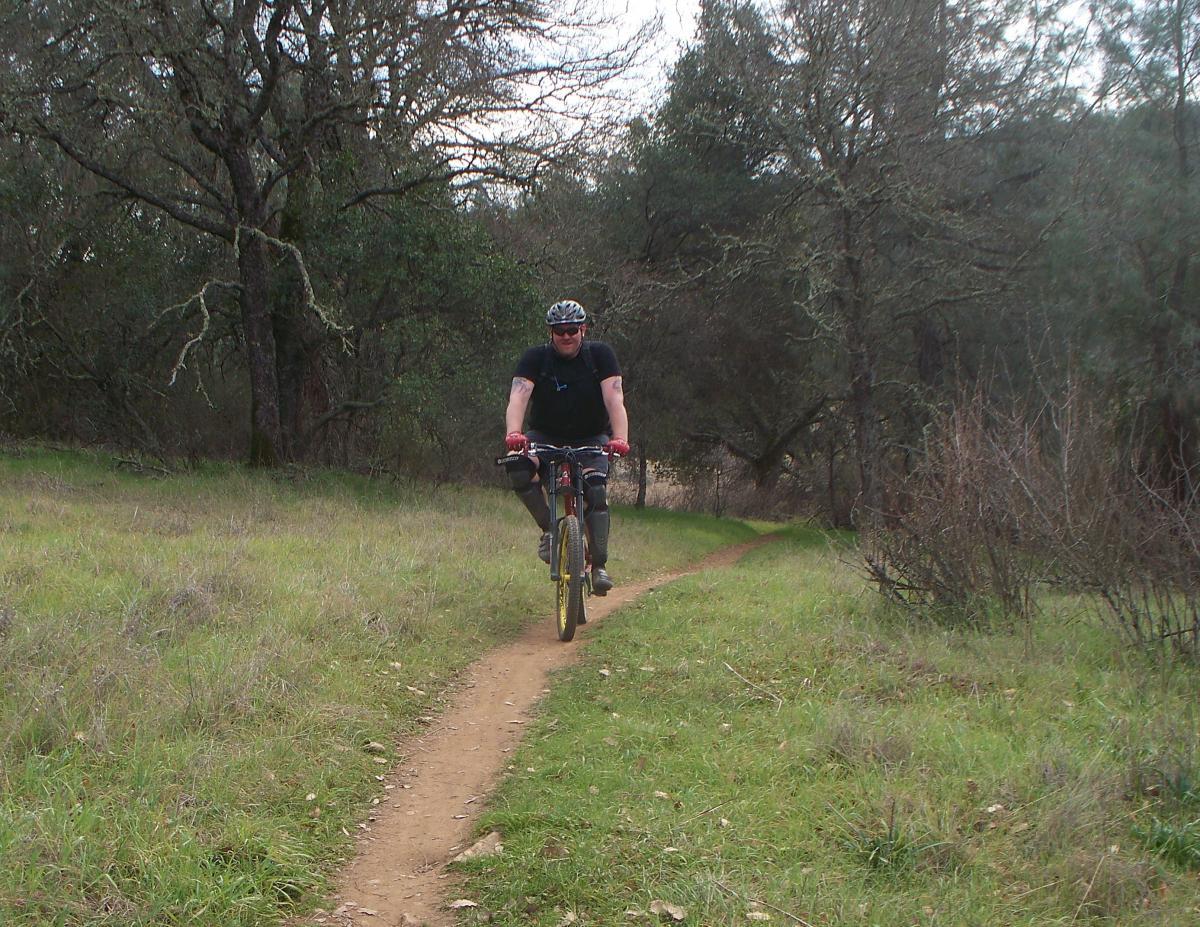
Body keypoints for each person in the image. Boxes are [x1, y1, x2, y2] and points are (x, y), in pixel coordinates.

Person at [504, 299, 630, 594]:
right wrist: (514, 433)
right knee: (517, 466)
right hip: (545, 435)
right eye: (559, 331)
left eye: (572, 330)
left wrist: (620, 438)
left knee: (595, 489)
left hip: (591, 438)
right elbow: (518, 398)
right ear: (551, 333)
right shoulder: (536, 358)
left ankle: (599, 565)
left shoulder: (600, 355)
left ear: (583, 329)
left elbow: (614, 399)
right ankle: (549, 530)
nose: (566, 336)